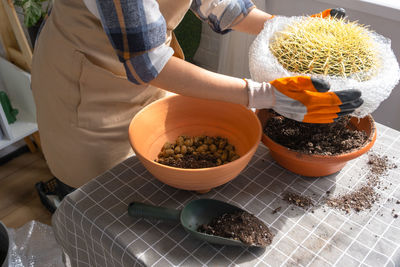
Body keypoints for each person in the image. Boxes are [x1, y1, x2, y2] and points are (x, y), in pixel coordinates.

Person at [31, 0, 362, 194]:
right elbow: (148, 63)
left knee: (152, 166)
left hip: (144, 70)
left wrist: (284, 27)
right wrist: (264, 95)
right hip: (83, 84)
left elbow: (218, 5)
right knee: (100, 192)